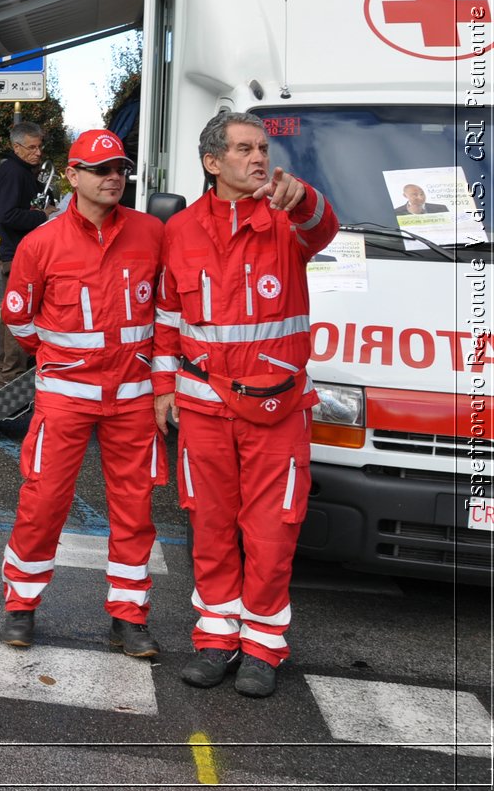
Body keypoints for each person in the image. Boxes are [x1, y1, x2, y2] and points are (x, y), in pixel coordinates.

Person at [154, 111, 338, 699]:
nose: (259, 158)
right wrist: (163, 389)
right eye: (244, 149)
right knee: (210, 526)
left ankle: (261, 647)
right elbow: (166, 320)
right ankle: (215, 639)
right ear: (212, 162)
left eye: (262, 148)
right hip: (205, 408)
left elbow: (324, 226)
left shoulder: (288, 220)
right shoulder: (179, 231)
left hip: (277, 409)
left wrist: (301, 195)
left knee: (271, 531)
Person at [0, 129, 166, 659]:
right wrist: (61, 360)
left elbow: (168, 313)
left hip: (132, 398)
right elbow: (19, 319)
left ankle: (128, 618)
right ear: (73, 176)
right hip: (66, 395)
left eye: (119, 168)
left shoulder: (151, 233)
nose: (113, 177)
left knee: (135, 509)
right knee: (43, 502)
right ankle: (21, 607)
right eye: (101, 170)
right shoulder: (41, 242)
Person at [0, 122, 55, 385]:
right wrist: (42, 215)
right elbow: (6, 215)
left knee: (18, 314)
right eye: (32, 147)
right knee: (17, 315)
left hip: (24, 252)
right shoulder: (12, 172)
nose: (38, 152)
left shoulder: (24, 172)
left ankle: (12, 370)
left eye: (40, 147)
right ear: (16, 147)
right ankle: (10, 374)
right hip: (17, 254)